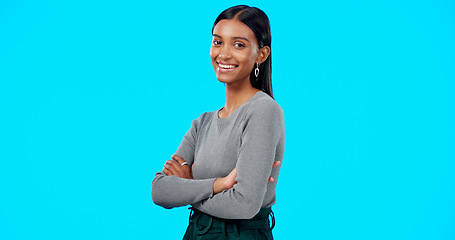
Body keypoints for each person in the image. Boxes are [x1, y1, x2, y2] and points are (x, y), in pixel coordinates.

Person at [151, 5, 284, 239]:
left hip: (239, 235)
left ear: (261, 55)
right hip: (197, 232)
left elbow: (245, 204)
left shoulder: (264, 110)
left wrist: (190, 187)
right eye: (218, 42)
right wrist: (219, 185)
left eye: (239, 44)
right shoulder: (203, 122)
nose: (223, 54)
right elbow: (159, 191)